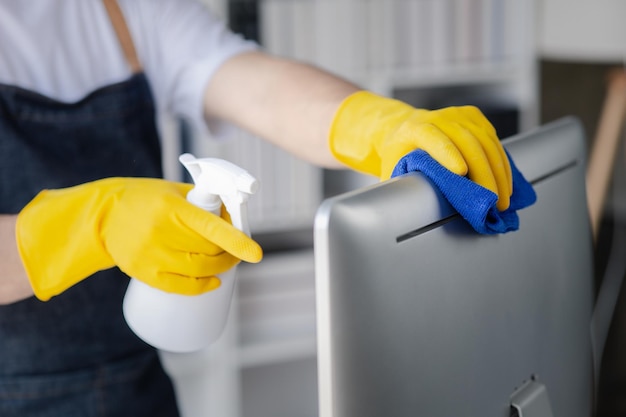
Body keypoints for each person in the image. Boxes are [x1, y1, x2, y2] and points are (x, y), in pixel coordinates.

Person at [0, 0, 512, 415]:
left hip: (135, 385)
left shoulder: (121, 10)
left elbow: (256, 86)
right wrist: (92, 224)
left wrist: (376, 125)